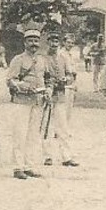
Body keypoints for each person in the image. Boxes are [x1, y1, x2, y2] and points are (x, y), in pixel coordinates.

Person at [4, 27, 49, 179]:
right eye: (30, 41)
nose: (33, 44)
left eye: (36, 41)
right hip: (21, 101)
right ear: (25, 43)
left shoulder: (42, 60)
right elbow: (10, 80)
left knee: (33, 135)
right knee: (20, 134)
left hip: (37, 102)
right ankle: (18, 167)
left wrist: (48, 90)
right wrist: (23, 86)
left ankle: (29, 166)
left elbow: (48, 79)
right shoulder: (19, 60)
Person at [43, 29, 82, 168]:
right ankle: (47, 155)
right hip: (46, 97)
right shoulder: (42, 58)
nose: (54, 44)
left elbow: (70, 75)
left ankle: (66, 156)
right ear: (47, 43)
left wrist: (66, 79)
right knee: (46, 127)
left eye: (56, 41)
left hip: (60, 96)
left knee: (63, 127)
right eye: (51, 41)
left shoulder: (63, 59)